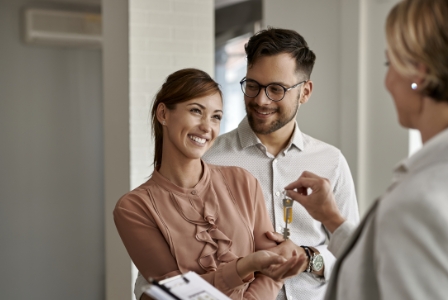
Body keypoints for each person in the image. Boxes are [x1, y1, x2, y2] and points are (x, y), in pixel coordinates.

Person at [285, 0, 448, 299]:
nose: (387, 81)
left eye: (389, 63)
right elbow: (385, 268)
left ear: (419, 74)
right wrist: (332, 218)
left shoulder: (421, 204)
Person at [114, 68, 306, 300]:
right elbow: (173, 291)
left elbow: (272, 271)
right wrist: (245, 266)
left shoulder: (243, 182)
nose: (207, 127)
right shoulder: (134, 208)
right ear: (163, 113)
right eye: (196, 111)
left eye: (216, 117)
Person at [203, 28, 360, 300]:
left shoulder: (331, 161)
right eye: (252, 85)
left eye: (276, 89)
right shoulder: (209, 160)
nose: (261, 100)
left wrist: (308, 257)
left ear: (305, 92)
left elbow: (353, 255)